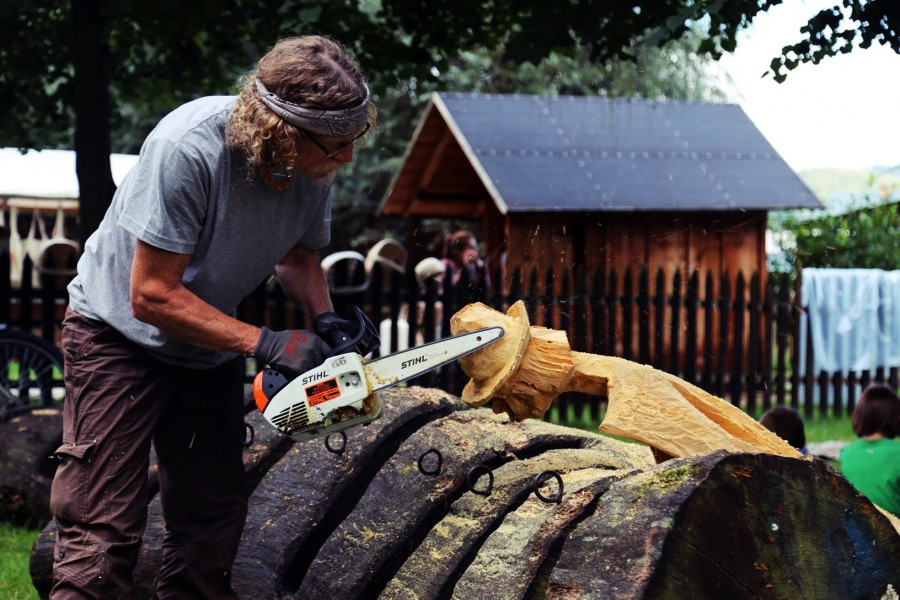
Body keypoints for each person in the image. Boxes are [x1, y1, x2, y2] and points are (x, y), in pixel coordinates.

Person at [49, 36, 375, 599]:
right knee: (102, 526)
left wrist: (325, 320)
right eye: (336, 144)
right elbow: (150, 295)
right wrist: (265, 342)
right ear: (283, 129)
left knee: (212, 515)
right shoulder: (190, 148)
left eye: (355, 139)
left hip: (202, 345)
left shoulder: (314, 162)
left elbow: (297, 256)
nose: (347, 156)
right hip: (116, 337)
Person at [839, 383, 900, 517]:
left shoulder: (846, 453)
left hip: (857, 529)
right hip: (893, 531)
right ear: (895, 417)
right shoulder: (897, 453)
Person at [440, 230, 491, 295]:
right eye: (472, 248)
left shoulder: (477, 266)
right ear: (459, 251)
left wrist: (479, 269)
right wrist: (465, 268)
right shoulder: (446, 264)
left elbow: (485, 289)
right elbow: (448, 291)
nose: (476, 251)